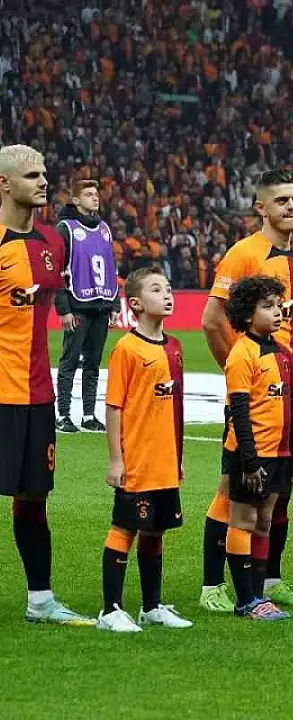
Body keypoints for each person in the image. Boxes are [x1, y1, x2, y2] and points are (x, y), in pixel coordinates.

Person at [199, 168, 293, 612]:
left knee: (280, 489)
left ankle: (269, 580)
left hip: (292, 384)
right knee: (233, 489)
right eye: (282, 200)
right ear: (260, 207)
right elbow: (212, 320)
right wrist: (242, 374)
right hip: (257, 390)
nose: (291, 206)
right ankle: (213, 585)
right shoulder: (244, 254)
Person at [0, 144, 92, 626]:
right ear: (4, 183)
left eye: (44, 173)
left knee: (34, 496)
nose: (43, 182)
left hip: (37, 394)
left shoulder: (53, 243)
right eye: (32, 175)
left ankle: (41, 601)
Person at [97, 267, 192, 631]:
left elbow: (176, 408)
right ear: (135, 303)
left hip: (165, 459)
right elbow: (114, 407)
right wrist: (116, 460)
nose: (167, 295)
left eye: (168, 288)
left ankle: (151, 607)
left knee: (156, 530)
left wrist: (178, 458)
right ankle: (110, 610)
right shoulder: (127, 349)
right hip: (137, 459)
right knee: (125, 527)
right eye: (156, 289)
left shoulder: (175, 347)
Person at [221, 275, 293, 620]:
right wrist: (248, 460)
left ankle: (258, 596)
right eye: (267, 306)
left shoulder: (282, 353)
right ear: (247, 314)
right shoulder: (242, 353)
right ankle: (245, 599)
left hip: (279, 453)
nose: (278, 312)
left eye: (278, 305)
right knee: (243, 521)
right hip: (251, 454)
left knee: (264, 522)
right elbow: (239, 411)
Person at [54, 179, 118, 434]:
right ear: (75, 200)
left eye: (96, 194)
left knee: (93, 363)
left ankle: (89, 415)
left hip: (100, 305)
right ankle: (63, 414)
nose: (95, 198)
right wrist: (64, 309)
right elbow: (57, 271)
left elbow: (111, 267)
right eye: (89, 194)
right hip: (77, 306)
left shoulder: (104, 229)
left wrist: (113, 303)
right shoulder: (65, 228)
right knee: (69, 361)